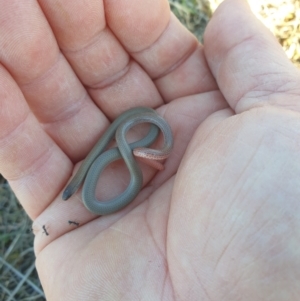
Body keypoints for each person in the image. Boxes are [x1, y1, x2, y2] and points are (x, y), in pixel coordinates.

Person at [1, 0, 299, 299]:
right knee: (116, 145)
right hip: (136, 147)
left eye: (72, 190)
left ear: (73, 185)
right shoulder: (110, 170)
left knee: (120, 142)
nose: (72, 194)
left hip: (142, 141)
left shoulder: (147, 135)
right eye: (72, 190)